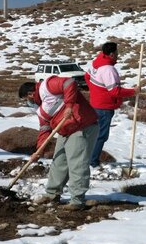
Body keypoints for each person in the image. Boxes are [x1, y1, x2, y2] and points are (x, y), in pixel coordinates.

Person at [18, 76, 98, 211]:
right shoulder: (42, 110)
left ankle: (77, 200)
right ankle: (52, 194)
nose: (28, 103)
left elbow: (69, 82)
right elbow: (45, 129)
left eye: (26, 99)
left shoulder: (47, 86)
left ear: (31, 94)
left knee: (77, 163)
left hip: (82, 125)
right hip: (65, 130)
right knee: (59, 162)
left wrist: (69, 105)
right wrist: (39, 151)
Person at [85, 42, 139, 169]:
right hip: (104, 107)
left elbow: (87, 77)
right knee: (101, 135)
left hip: (94, 104)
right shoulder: (108, 70)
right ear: (112, 54)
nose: (118, 55)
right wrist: (134, 91)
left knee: (93, 133)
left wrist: (95, 91)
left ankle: (88, 158)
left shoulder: (97, 62)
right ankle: (93, 162)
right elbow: (115, 91)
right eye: (117, 53)